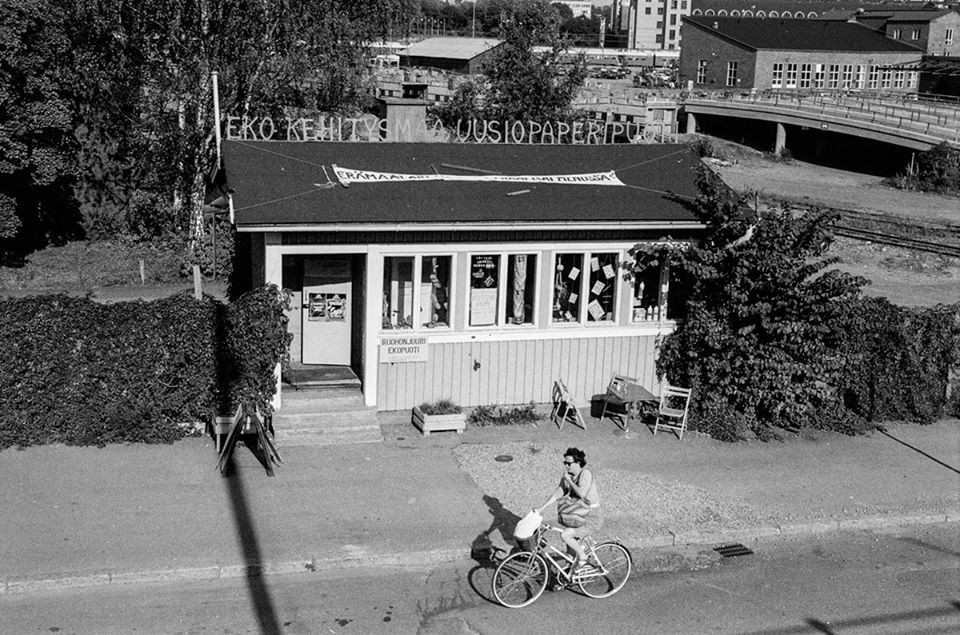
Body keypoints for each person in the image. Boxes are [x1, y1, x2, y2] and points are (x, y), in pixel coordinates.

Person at [535, 447, 602, 571]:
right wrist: (542, 508)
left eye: (569, 463)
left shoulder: (585, 474)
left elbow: (582, 493)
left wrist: (570, 481)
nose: (566, 466)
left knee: (565, 535)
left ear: (578, 463)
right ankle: (569, 573)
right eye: (564, 463)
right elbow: (558, 492)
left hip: (591, 517)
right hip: (577, 515)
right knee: (569, 552)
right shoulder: (568, 476)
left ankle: (583, 557)